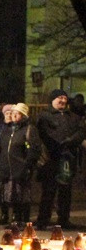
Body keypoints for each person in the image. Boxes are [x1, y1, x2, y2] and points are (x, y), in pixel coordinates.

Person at [35, 89, 84, 229]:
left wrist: (70, 141)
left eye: (64, 98)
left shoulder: (73, 117)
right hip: (50, 158)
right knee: (48, 191)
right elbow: (44, 134)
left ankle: (64, 219)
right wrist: (59, 144)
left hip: (67, 159)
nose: (62, 100)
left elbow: (80, 131)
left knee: (65, 190)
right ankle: (43, 219)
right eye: (59, 98)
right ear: (52, 100)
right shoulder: (44, 116)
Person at [0, 103, 42, 224]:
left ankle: (24, 221)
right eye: (13, 113)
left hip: (21, 168)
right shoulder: (7, 130)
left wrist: (27, 165)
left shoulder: (29, 129)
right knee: (10, 196)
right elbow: (1, 148)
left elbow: (34, 149)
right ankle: (14, 220)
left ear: (24, 115)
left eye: (17, 113)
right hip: (7, 169)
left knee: (22, 196)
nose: (13, 115)